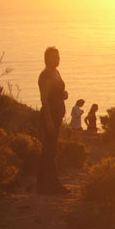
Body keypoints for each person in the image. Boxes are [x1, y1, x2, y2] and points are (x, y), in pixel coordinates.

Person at [37, 46, 68, 194]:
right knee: (48, 151)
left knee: (51, 149)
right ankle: (47, 185)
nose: (56, 59)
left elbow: (55, 93)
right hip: (50, 116)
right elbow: (44, 99)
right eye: (52, 57)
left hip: (57, 116)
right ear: (46, 58)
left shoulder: (56, 72)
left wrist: (63, 94)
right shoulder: (46, 75)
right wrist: (49, 120)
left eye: (57, 56)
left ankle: (48, 184)